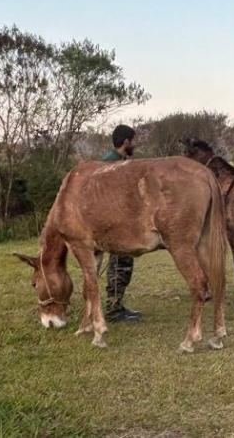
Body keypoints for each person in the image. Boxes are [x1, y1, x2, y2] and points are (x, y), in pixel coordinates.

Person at [101, 124, 141, 322]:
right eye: (133, 140)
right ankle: (113, 310)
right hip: (115, 223)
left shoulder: (119, 161)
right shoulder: (112, 164)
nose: (135, 144)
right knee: (119, 264)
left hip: (121, 221)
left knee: (123, 263)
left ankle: (116, 306)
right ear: (126, 142)